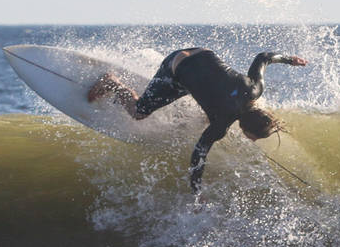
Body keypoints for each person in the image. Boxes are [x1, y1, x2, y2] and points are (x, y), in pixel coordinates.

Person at [87, 47, 308, 192]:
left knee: (208, 110)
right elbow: (198, 154)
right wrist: (197, 191)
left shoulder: (255, 89)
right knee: (139, 112)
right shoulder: (221, 123)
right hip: (176, 68)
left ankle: (185, 97)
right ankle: (112, 83)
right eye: (255, 138)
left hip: (200, 52)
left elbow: (264, 57)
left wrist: (290, 60)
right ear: (246, 128)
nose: (253, 141)